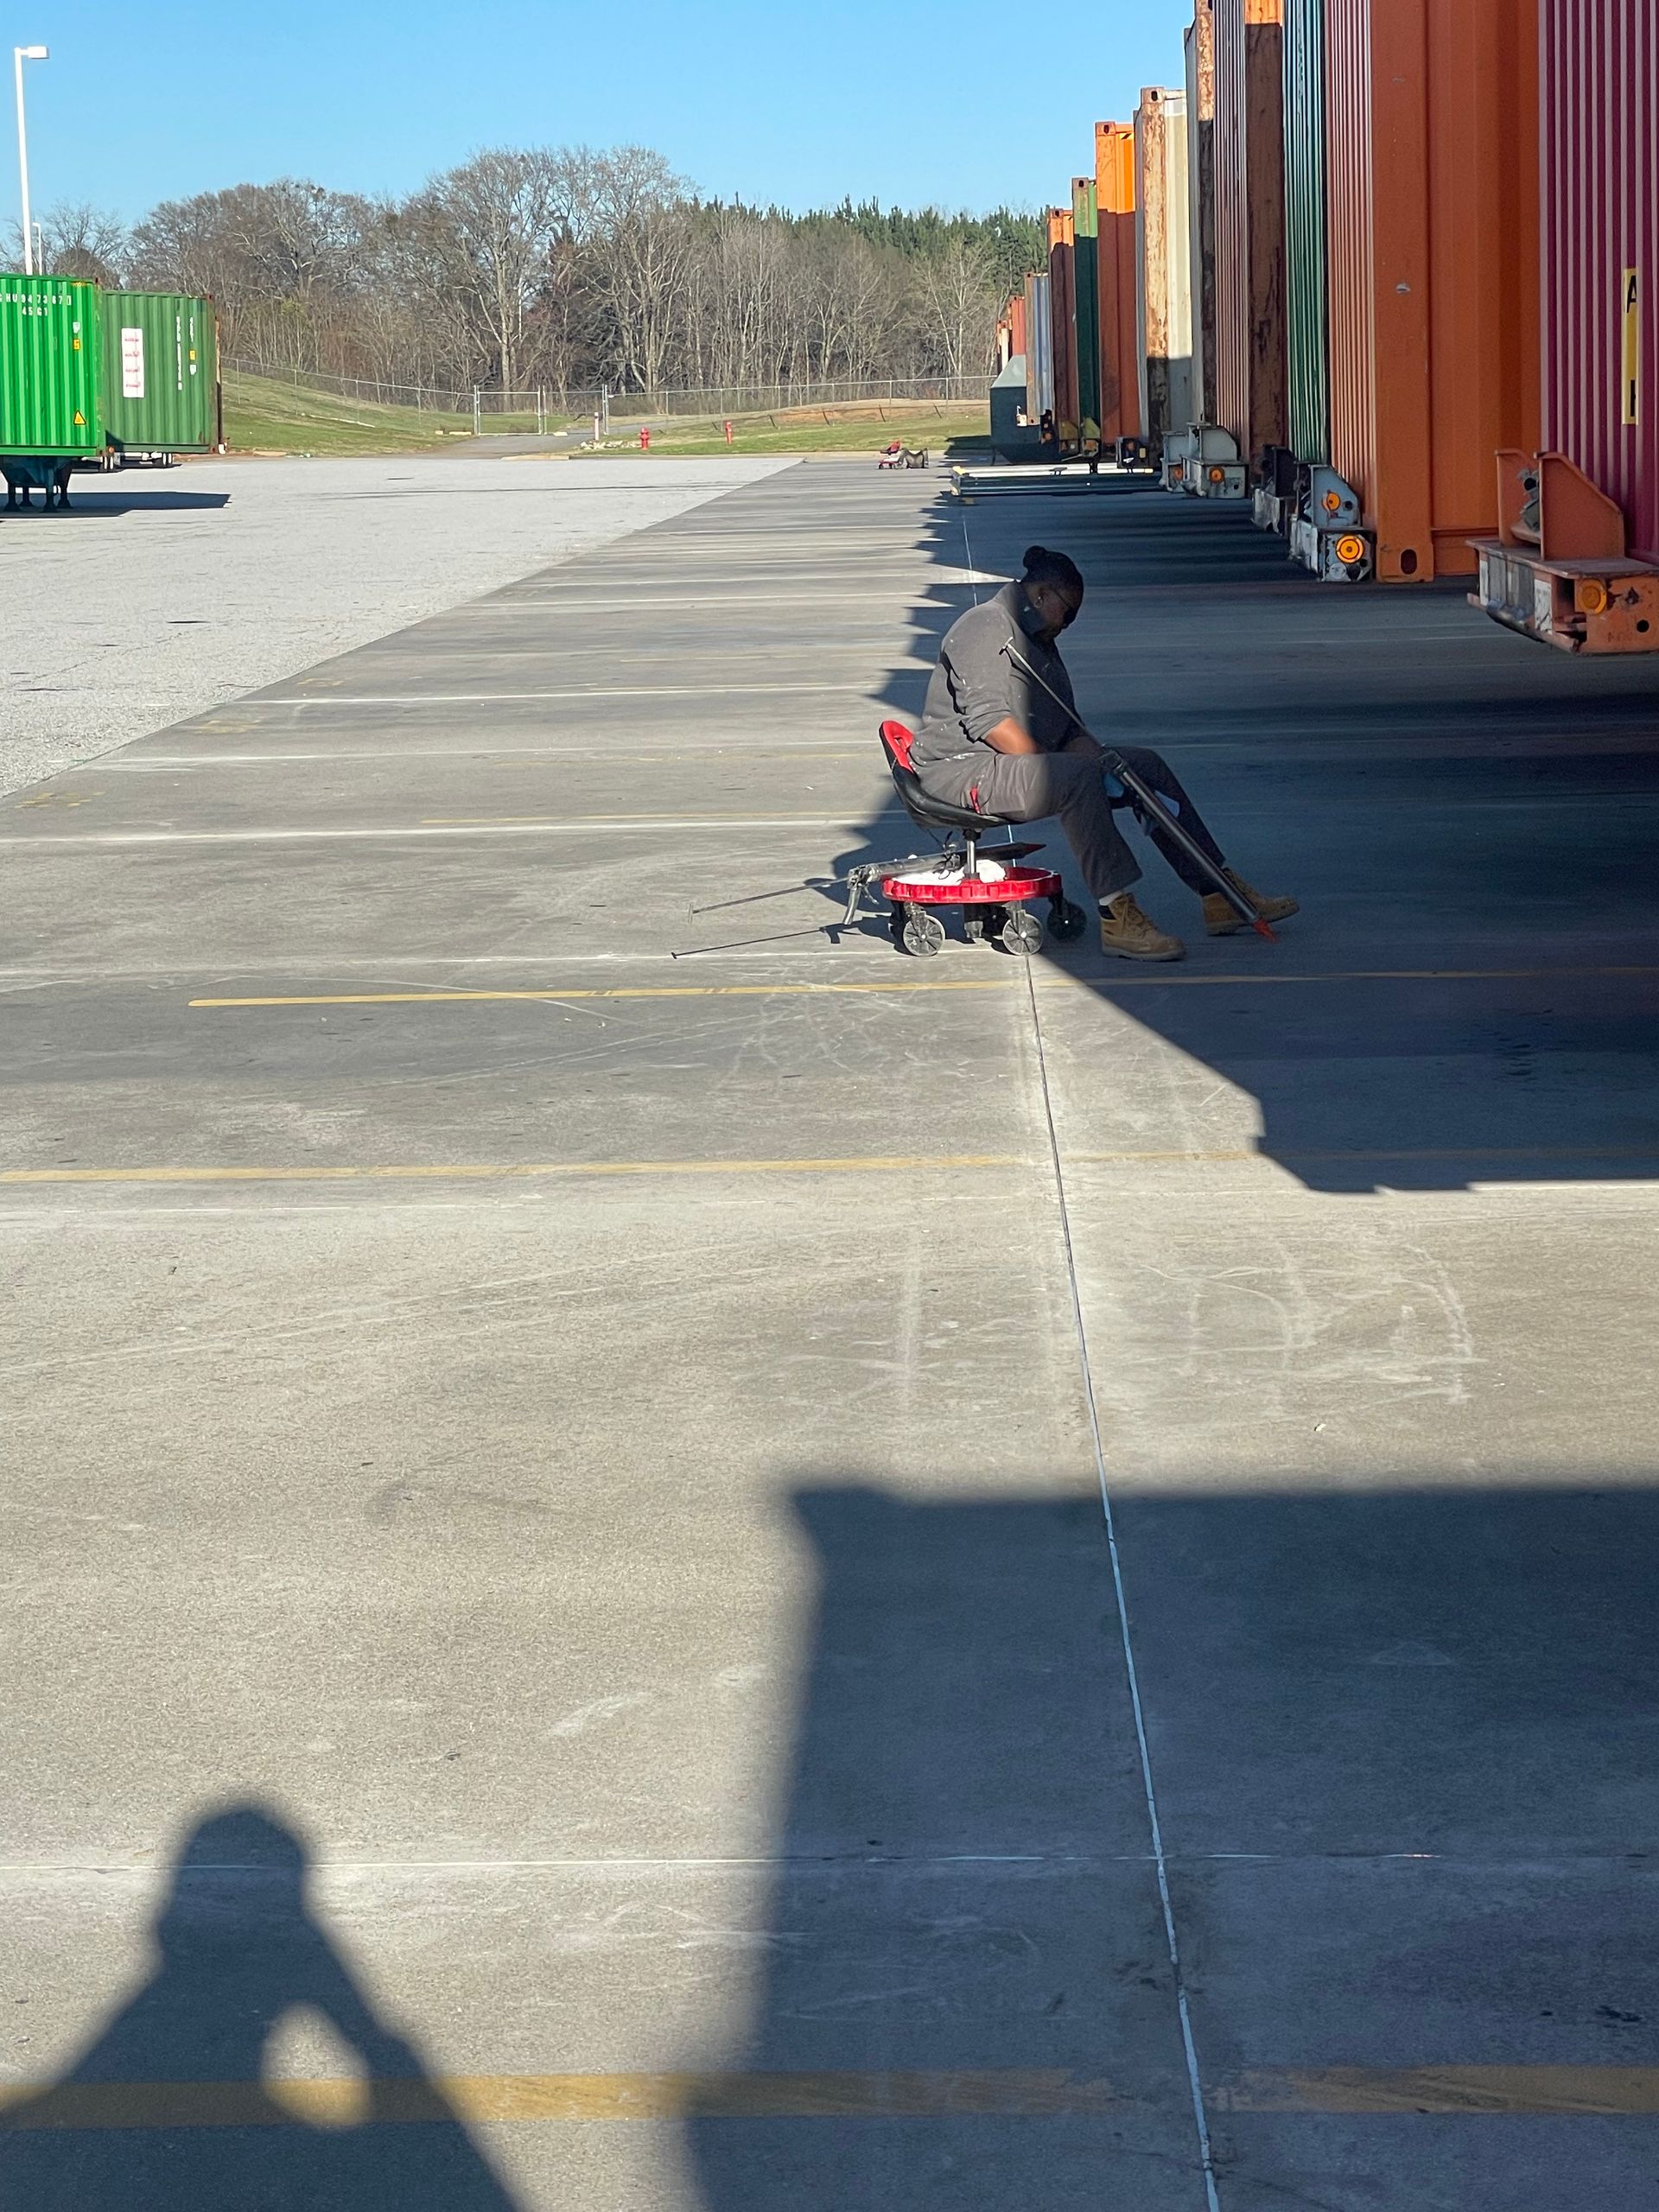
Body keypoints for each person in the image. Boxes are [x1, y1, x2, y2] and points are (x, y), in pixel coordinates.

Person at [910, 544, 1298, 961]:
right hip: (965, 769)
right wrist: (1069, 767)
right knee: (1076, 779)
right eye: (1068, 612)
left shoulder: (1036, 638)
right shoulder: (985, 626)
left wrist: (1105, 764)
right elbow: (989, 723)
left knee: (1142, 767)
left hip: (1009, 763)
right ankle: (1118, 915)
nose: (1069, 623)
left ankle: (1217, 891)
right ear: (1041, 595)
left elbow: (1067, 726)